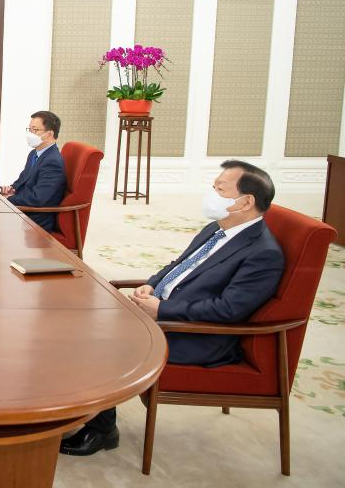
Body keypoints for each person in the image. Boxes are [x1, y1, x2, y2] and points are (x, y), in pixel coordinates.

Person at [60, 160, 285, 456]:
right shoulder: (216, 229)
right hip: (164, 312)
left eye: (220, 189)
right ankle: (76, 407)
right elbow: (178, 266)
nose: (211, 193)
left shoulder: (263, 254)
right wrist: (152, 285)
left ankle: (102, 431)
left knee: (101, 340)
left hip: (198, 336)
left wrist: (163, 310)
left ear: (245, 202)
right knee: (74, 318)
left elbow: (229, 310)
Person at [0, 111, 66, 232]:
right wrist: (12, 188)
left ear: (49, 134)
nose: (30, 133)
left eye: (35, 130)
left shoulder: (53, 162)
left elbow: (38, 198)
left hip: (35, 219)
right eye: (29, 129)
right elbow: (23, 179)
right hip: (23, 209)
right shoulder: (34, 153)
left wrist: (9, 199)